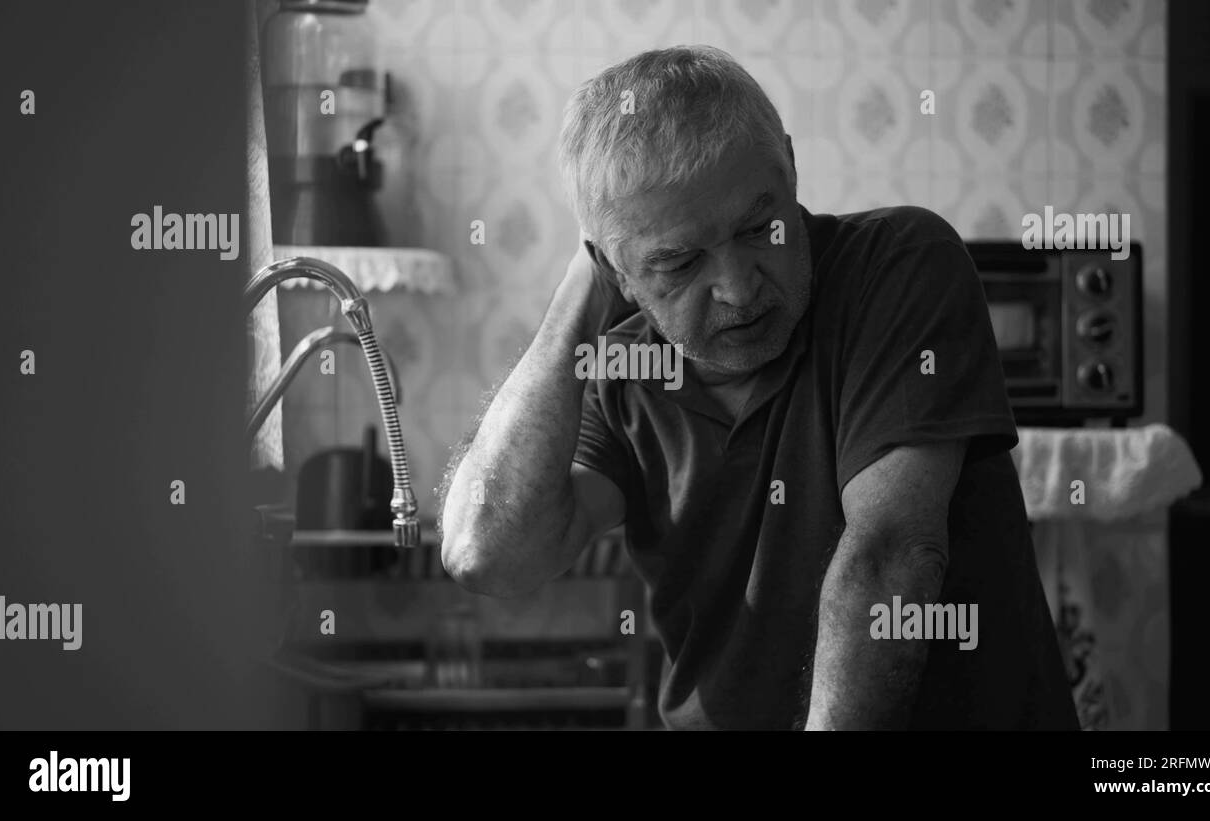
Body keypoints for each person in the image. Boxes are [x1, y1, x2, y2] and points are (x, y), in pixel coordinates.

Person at [438, 45, 1078, 731]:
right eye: (679, 263)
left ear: (791, 169)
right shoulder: (619, 369)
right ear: (614, 271)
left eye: (758, 227)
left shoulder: (898, 265)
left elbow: (891, 551)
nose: (740, 288)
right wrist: (582, 293)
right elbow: (490, 553)